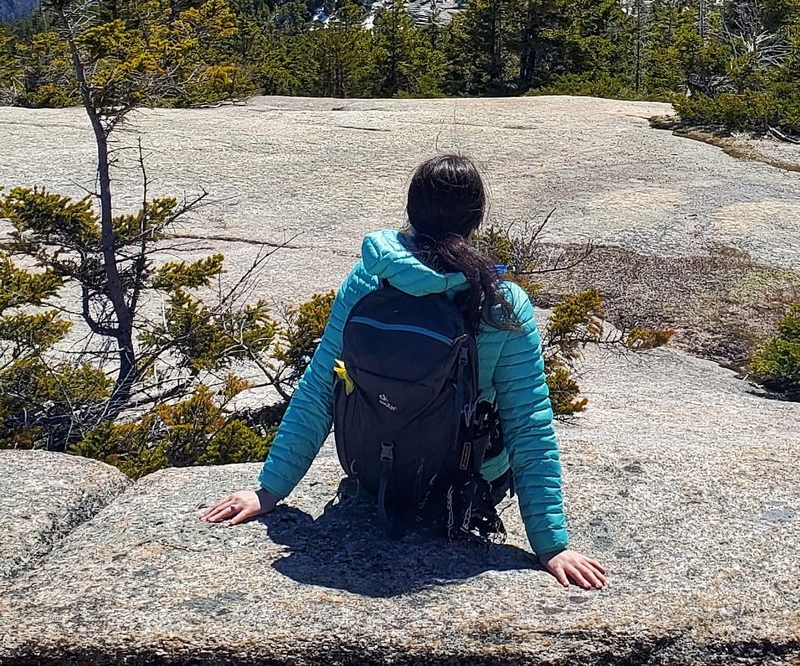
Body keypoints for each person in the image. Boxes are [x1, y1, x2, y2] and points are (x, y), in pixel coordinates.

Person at [200, 154, 610, 590]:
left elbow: (320, 388)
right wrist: (551, 545)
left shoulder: (367, 279)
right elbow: (528, 425)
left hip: (372, 472)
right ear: (476, 220)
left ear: (412, 211)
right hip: (460, 491)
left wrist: (269, 491)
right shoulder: (500, 303)